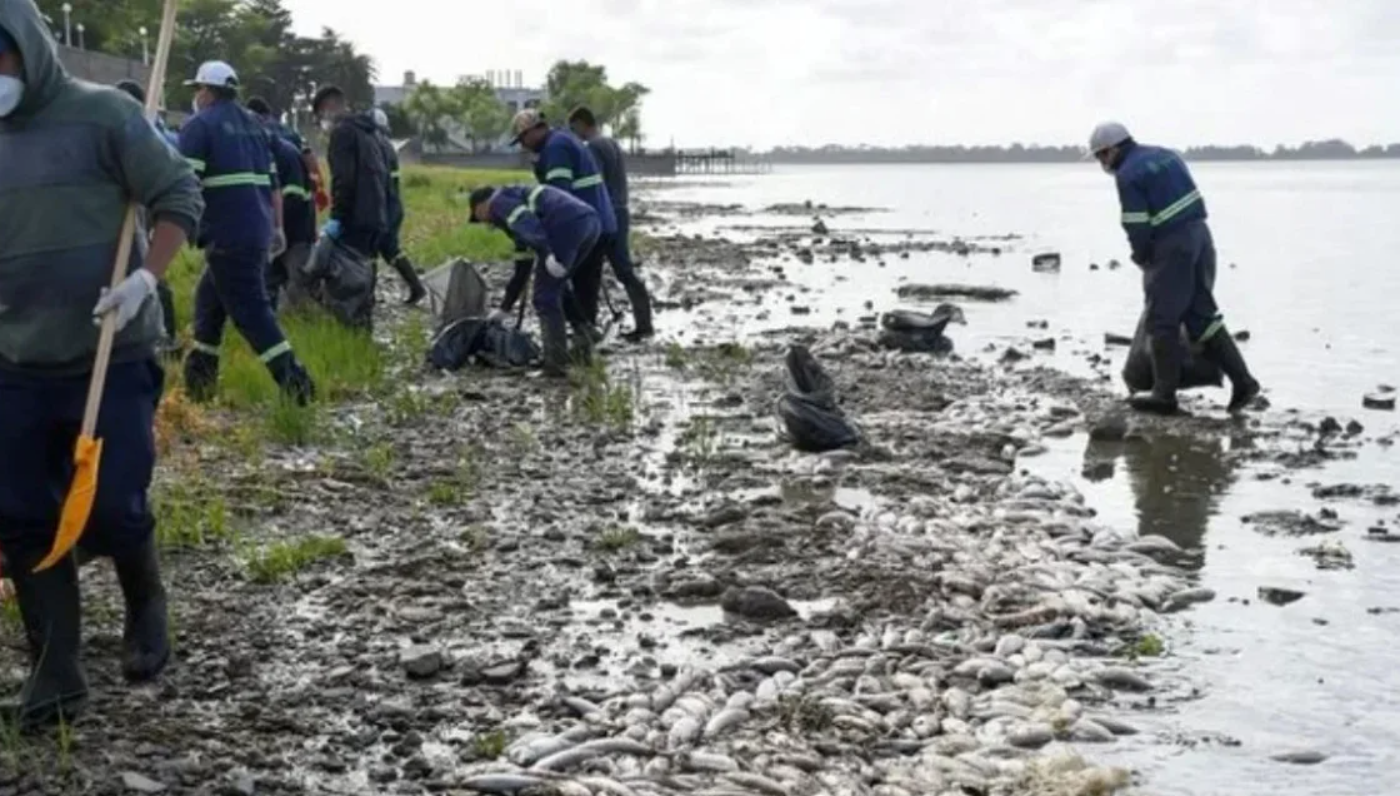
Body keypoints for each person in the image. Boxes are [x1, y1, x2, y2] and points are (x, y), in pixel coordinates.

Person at [0, 1, 204, 729]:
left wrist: (145, 279)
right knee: (22, 515)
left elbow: (179, 194)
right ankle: (55, 672)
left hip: (110, 353)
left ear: (26, 49)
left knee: (116, 501)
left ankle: (146, 603)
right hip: (16, 359)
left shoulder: (103, 118)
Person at [1089, 121, 1260, 415]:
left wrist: (1142, 256)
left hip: (1172, 247)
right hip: (1201, 236)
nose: (1102, 163)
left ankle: (1164, 394)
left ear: (1113, 149)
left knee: (1161, 321)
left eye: (1100, 156)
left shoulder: (1128, 174)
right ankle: (1244, 382)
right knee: (1202, 315)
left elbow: (1136, 223)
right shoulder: (1168, 155)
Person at [179, 61, 314, 404]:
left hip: (227, 236)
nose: (197, 96)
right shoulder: (255, 127)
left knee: (252, 313)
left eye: (198, 89)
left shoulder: (198, 126)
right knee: (208, 304)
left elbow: (184, 184)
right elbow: (273, 184)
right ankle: (200, 383)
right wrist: (277, 228)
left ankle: (297, 384)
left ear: (208, 91)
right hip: (255, 231)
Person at [469, 184, 601, 376]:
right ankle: (585, 333)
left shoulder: (499, 201)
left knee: (544, 297)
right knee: (557, 286)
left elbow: (527, 222)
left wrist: (548, 252)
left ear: (480, 206)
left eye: (478, 217)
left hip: (565, 225)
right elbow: (522, 268)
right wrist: (504, 308)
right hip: (589, 223)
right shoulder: (513, 212)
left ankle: (555, 364)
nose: (485, 223)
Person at [510, 109, 616, 333]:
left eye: (523, 139)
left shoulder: (556, 148)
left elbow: (559, 199)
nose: (523, 145)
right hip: (597, 222)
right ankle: (585, 333)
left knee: (568, 283)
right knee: (583, 283)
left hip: (586, 225)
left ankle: (584, 337)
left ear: (536, 130)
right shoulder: (562, 140)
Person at [568, 105, 654, 342]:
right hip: (621, 210)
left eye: (574, 128)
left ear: (581, 124)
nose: (574, 134)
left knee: (590, 272)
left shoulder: (593, 147)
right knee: (624, 270)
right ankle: (644, 323)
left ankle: (588, 324)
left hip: (606, 214)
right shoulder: (611, 143)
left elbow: (594, 184)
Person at [114, 78, 180, 352]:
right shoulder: (142, 130)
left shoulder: (151, 135)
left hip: (146, 210)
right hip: (137, 209)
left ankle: (163, 336)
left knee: (148, 270)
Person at [247, 97, 316, 312]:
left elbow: (293, 198)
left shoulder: (285, 154)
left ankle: (305, 321)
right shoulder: (265, 151)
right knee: (269, 280)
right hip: (277, 230)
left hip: (297, 231)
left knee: (298, 281)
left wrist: (276, 226)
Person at [313, 85, 389, 261]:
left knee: (346, 277)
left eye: (320, 118)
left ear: (328, 108)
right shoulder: (369, 132)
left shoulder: (342, 133)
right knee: (364, 273)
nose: (322, 124)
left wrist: (337, 218)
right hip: (376, 217)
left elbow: (344, 179)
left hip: (354, 220)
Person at [371, 107, 426, 305]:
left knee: (371, 248)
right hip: (393, 206)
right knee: (390, 250)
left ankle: (368, 294)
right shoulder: (387, 146)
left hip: (385, 207)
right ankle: (416, 288)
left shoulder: (376, 145)